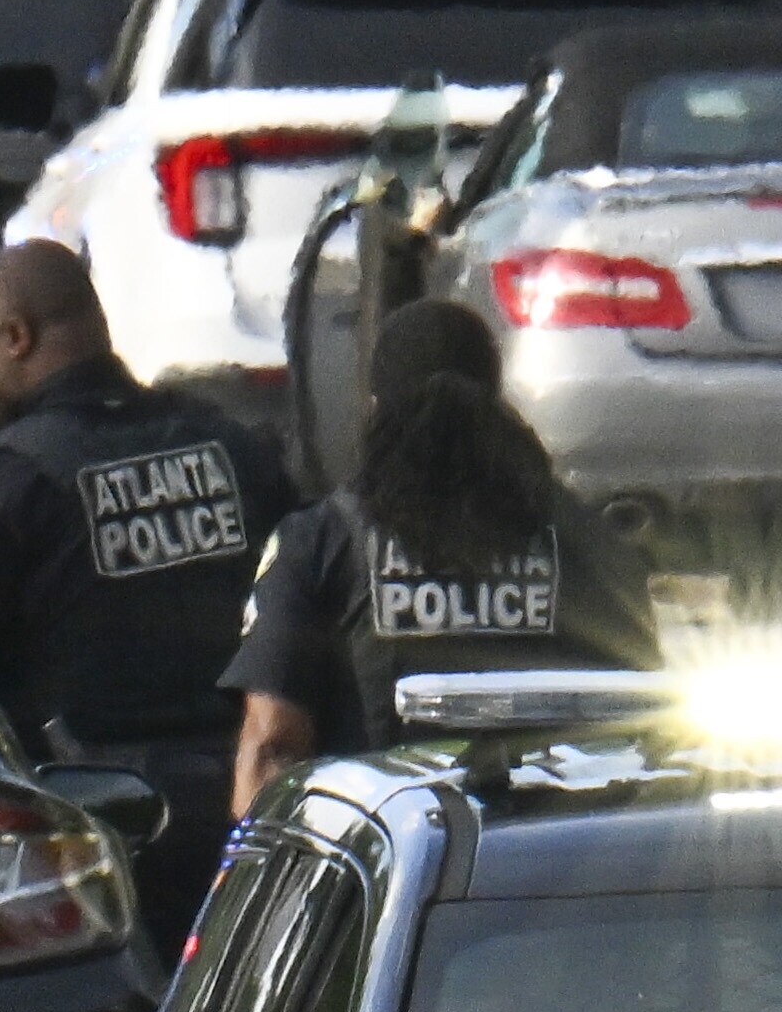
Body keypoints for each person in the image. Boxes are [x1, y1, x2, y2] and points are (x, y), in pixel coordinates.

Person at [0, 241, 290, 940]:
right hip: (259, 806)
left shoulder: (9, 480)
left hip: (99, 830)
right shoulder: (229, 445)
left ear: (16, 336)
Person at [228, 295, 659, 815]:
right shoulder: (588, 539)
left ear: (375, 407)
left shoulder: (321, 541)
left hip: (388, 868)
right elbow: (648, 733)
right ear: (499, 400)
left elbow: (272, 747)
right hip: (565, 863)